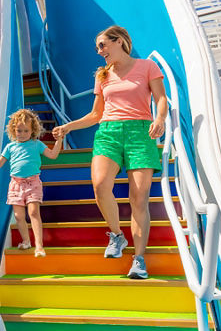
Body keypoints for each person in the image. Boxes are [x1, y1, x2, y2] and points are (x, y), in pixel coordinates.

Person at [52, 26, 167, 279]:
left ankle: (139, 260)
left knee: (139, 199)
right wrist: (68, 126)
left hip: (140, 133)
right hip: (108, 133)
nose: (99, 51)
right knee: (100, 184)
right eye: (97, 48)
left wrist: (159, 118)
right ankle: (116, 235)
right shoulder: (102, 75)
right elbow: (96, 114)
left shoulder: (147, 67)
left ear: (119, 42)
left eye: (103, 45)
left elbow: (160, 98)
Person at [0, 108, 65, 257]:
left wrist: (59, 140)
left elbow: (53, 155)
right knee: (19, 216)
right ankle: (26, 241)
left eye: (26, 131)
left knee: (33, 212)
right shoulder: (11, 147)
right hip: (16, 184)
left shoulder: (36, 144)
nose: (22, 134)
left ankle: (39, 246)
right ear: (13, 130)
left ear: (32, 130)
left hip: (33, 182)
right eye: (19, 131)